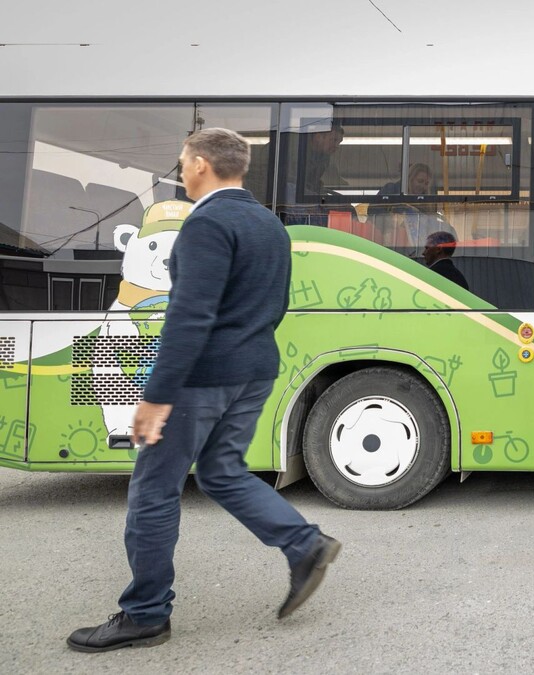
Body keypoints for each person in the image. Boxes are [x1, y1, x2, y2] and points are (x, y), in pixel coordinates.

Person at [68, 129, 341, 653]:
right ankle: (303, 542)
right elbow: (273, 305)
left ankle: (144, 613)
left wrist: (155, 396)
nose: (181, 170)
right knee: (221, 472)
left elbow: (190, 318)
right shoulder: (270, 225)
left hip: (202, 378)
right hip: (255, 370)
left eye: (182, 162)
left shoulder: (205, 224)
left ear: (199, 165)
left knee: (152, 492)